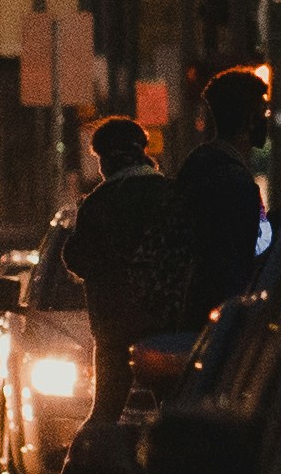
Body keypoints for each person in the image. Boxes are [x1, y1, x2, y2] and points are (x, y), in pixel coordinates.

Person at [53, 115, 192, 430]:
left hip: (114, 326)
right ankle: (160, 473)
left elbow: (76, 258)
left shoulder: (98, 202)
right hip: (167, 323)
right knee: (171, 414)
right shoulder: (172, 193)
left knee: (103, 413)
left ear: (105, 160)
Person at [172, 66, 277, 315]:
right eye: (264, 113)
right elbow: (238, 262)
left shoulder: (197, 167)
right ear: (251, 119)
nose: (266, 120)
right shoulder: (234, 182)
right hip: (218, 318)